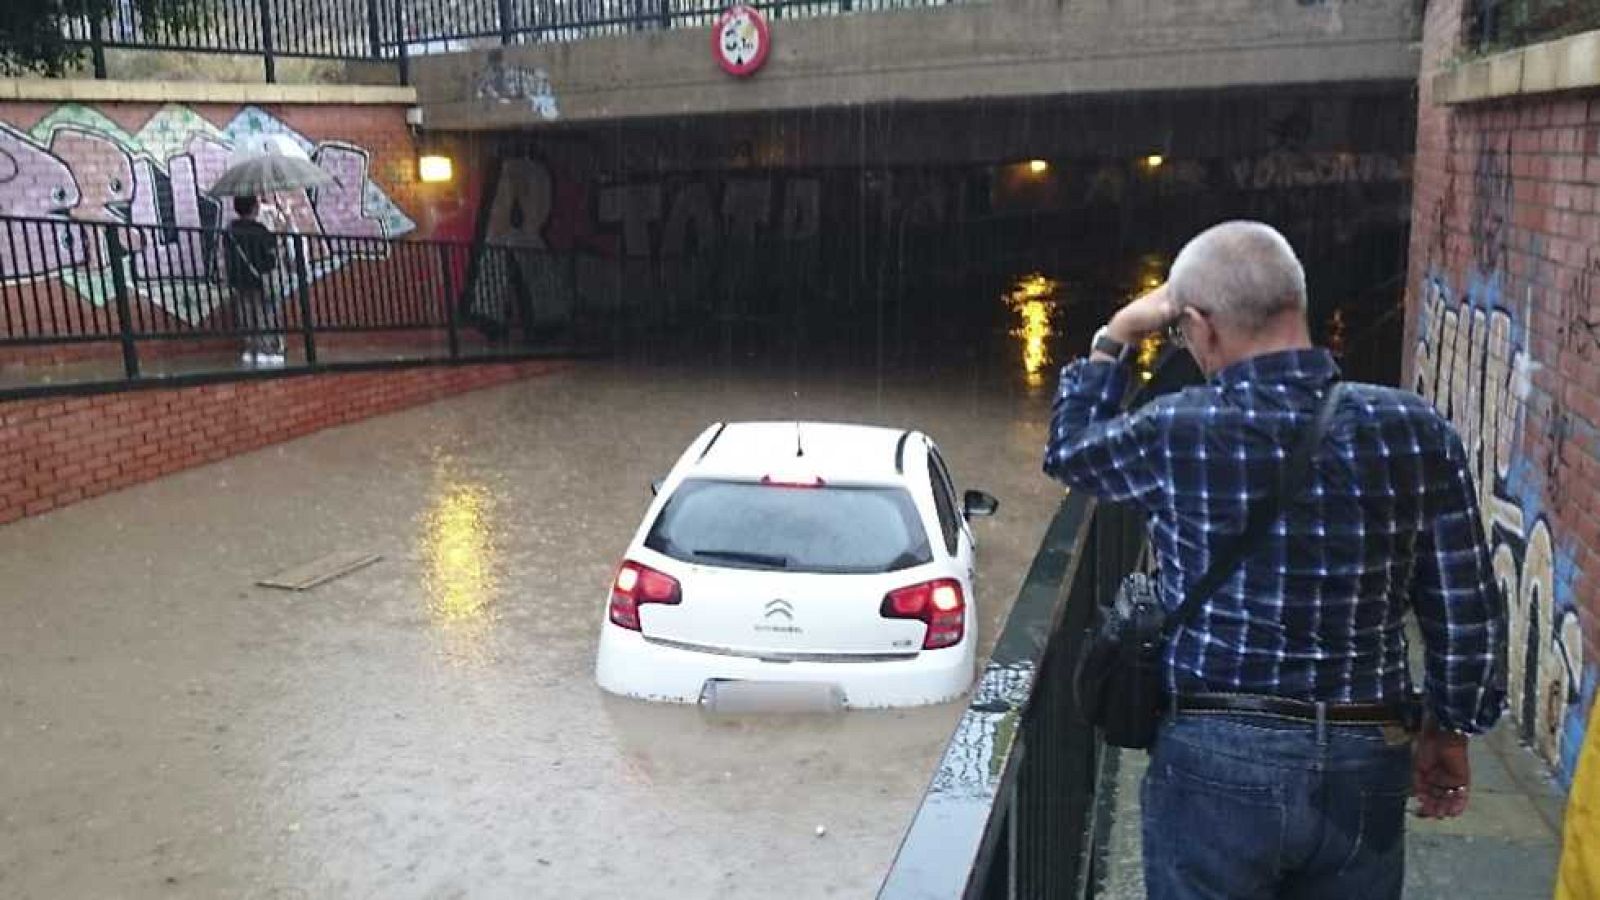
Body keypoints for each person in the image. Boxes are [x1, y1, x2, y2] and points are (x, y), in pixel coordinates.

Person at [1043, 221, 1506, 899]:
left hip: (1215, 750)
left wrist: (1116, 334)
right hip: (1364, 749)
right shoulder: (1414, 428)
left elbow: (1070, 450)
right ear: (1300, 307)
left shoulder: (1179, 428)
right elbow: (1464, 605)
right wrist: (1450, 725)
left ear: (1199, 327)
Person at [225, 195, 282, 367]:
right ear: (254, 208)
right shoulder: (260, 230)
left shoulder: (229, 230)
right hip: (259, 280)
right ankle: (267, 349)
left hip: (239, 279)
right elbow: (271, 258)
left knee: (246, 315)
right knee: (264, 314)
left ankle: (251, 349)